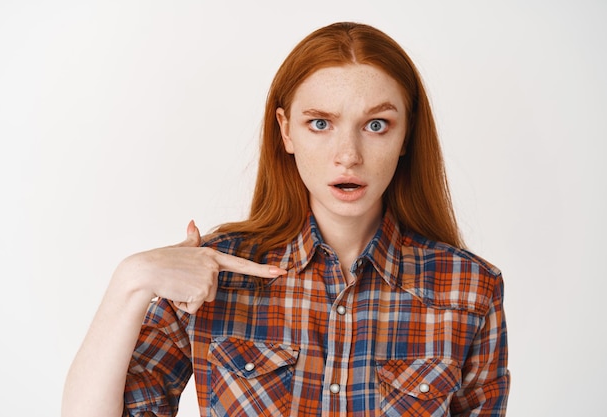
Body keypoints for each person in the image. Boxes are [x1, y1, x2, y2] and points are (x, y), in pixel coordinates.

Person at [62, 21, 510, 417]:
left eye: (376, 125)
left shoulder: (469, 289)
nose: (348, 156)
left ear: (406, 134)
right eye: (320, 123)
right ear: (285, 130)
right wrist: (132, 280)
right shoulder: (214, 274)